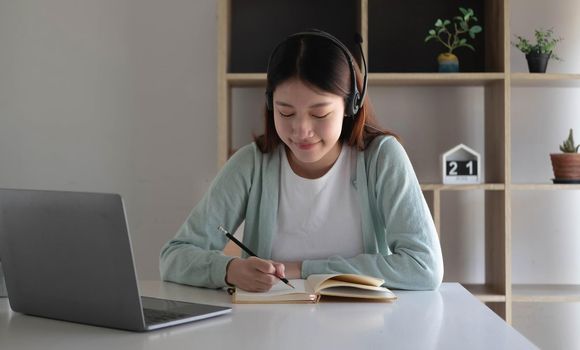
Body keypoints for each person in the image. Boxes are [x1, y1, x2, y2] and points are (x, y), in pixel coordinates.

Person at [160, 29, 443, 292]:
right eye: (285, 113)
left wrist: (303, 270)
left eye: (319, 114)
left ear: (351, 106)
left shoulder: (381, 158)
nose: (301, 130)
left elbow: (424, 267)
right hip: (268, 331)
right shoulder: (252, 163)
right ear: (271, 105)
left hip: (365, 330)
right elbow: (174, 257)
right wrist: (229, 269)